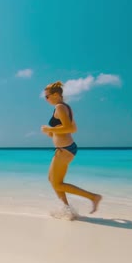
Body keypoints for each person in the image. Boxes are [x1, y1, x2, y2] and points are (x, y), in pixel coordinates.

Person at [41, 81, 102, 214]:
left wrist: (49, 128)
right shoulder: (64, 107)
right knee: (52, 180)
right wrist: (51, 132)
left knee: (57, 183)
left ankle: (93, 197)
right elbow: (73, 127)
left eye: (47, 96)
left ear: (56, 94)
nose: (46, 99)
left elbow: (69, 128)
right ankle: (67, 210)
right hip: (65, 149)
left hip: (65, 149)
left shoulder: (60, 107)